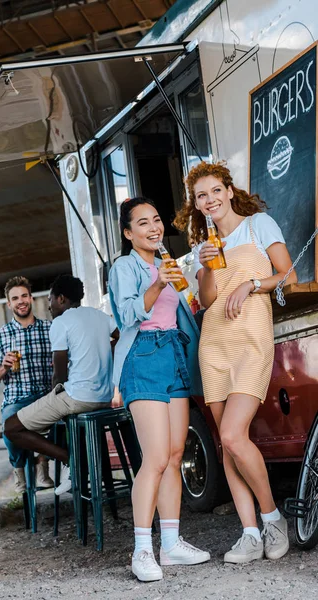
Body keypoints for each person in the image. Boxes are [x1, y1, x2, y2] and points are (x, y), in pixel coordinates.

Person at [174, 161, 297, 564]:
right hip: (214, 345)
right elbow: (207, 301)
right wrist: (207, 265)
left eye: (214, 191)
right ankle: (249, 533)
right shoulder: (201, 249)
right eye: (201, 197)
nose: (209, 201)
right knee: (228, 445)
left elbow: (289, 274)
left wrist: (250, 283)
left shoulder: (259, 225)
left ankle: (272, 517)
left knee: (231, 433)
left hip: (251, 340)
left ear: (229, 190)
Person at [108, 197, 210, 583]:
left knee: (173, 452)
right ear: (128, 233)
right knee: (153, 457)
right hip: (143, 356)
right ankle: (141, 550)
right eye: (143, 223)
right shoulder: (126, 266)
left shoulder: (165, 262)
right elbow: (128, 312)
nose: (153, 228)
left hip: (173, 352)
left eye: (156, 221)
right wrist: (158, 283)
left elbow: (178, 311)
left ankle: (170, 543)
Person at [4, 274, 119, 495]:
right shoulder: (99, 316)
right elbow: (121, 336)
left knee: (11, 428)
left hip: (77, 398)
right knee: (54, 422)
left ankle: (72, 461)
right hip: (104, 398)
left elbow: (60, 375)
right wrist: (105, 355)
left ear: (62, 299)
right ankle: (72, 461)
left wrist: (52, 393)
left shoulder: (61, 322)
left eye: (50, 299)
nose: (48, 305)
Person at [0, 276, 54, 493]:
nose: (21, 301)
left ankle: (43, 467)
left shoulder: (50, 328)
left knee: (62, 422)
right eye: (15, 298)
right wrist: (4, 367)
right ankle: (20, 471)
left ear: (31, 298)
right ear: (9, 304)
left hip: (46, 396)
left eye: (24, 296)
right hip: (16, 399)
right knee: (8, 426)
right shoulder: (0, 335)